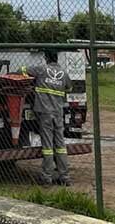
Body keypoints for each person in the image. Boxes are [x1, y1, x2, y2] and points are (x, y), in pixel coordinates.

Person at [23, 50, 72, 186]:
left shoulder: (41, 69)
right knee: (60, 144)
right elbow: (69, 88)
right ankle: (65, 176)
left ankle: (47, 177)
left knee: (48, 146)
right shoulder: (63, 73)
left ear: (46, 58)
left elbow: (22, 70)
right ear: (57, 58)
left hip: (44, 112)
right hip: (58, 111)